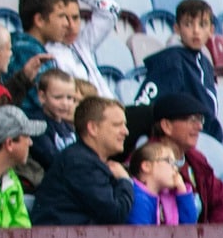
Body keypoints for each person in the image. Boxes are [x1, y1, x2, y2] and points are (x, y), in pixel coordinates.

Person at [31, 97, 134, 226]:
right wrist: (125, 181)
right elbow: (115, 214)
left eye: (124, 125)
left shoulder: (85, 159)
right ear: (93, 128)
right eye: (117, 125)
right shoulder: (80, 163)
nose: (126, 131)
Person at [132, 0, 223, 140]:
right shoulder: (170, 61)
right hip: (177, 140)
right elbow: (143, 107)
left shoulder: (205, 63)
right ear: (177, 28)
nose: (196, 31)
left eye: (202, 25)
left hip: (205, 136)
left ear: (211, 30)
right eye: (188, 25)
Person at [146, 92, 223, 223]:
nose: (200, 126)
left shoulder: (197, 160)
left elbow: (220, 199)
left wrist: (215, 235)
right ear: (166, 126)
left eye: (200, 119)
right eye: (192, 119)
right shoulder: (147, 161)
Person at [5, 0, 78, 113]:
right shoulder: (28, 52)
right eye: (61, 16)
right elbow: (46, 105)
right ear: (39, 20)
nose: (67, 24)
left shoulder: (24, 45)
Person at [45, 0, 119, 99]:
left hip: (111, 109)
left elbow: (110, 9)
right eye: (63, 18)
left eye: (75, 18)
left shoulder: (82, 43)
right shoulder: (48, 54)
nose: (71, 26)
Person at [125, 136, 198, 226]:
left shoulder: (168, 196)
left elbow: (189, 226)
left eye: (175, 163)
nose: (175, 168)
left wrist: (182, 192)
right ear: (147, 166)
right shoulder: (138, 199)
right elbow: (142, 236)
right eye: (169, 161)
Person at [27, 68, 79, 176]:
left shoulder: (69, 127)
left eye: (70, 98)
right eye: (58, 97)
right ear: (42, 97)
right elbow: (51, 160)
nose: (65, 103)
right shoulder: (36, 124)